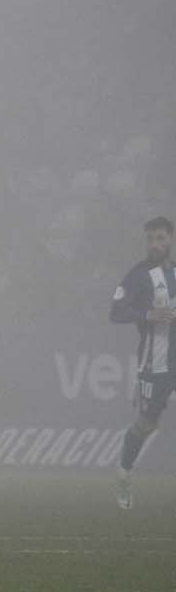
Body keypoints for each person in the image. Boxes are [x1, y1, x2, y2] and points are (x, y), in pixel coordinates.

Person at [110, 216, 175, 509]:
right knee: (146, 425)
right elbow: (116, 312)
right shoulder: (138, 275)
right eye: (150, 239)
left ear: (170, 239)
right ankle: (123, 474)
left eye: (160, 238)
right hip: (154, 364)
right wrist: (147, 314)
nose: (154, 244)